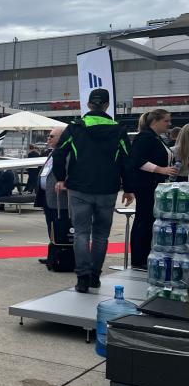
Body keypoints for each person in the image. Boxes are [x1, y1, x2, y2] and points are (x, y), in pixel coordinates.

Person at [52, 88, 135, 293]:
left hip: (79, 188)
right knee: (100, 235)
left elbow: (59, 154)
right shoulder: (118, 130)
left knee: (81, 233)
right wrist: (129, 188)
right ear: (107, 105)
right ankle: (95, 277)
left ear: (89, 104)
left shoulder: (75, 127)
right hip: (107, 189)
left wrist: (61, 178)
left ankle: (82, 278)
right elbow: (128, 160)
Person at [129, 108, 177, 270]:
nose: (169, 124)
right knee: (144, 220)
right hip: (146, 185)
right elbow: (137, 160)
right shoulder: (145, 137)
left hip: (154, 185)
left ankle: (143, 256)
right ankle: (138, 258)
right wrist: (161, 170)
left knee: (148, 220)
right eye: (166, 121)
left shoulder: (155, 138)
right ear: (155, 121)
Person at [34, 128, 65, 263]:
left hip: (58, 199)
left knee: (58, 227)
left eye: (51, 136)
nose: (48, 139)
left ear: (61, 137)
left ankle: (59, 257)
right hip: (48, 197)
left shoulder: (65, 153)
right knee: (50, 227)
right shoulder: (52, 153)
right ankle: (52, 256)